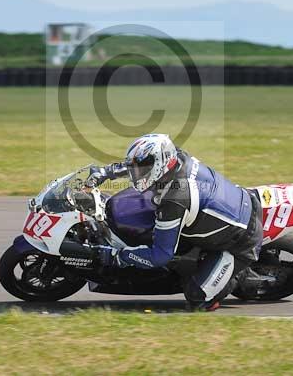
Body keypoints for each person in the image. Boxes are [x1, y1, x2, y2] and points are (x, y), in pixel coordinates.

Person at [85, 133, 263, 311]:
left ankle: (240, 274)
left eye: (141, 169)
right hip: (230, 206)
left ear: (160, 164)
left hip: (241, 240)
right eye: (136, 168)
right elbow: (144, 163)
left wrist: (118, 255)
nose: (136, 174)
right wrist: (107, 172)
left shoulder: (174, 199)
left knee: (196, 298)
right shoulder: (176, 157)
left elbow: (160, 256)